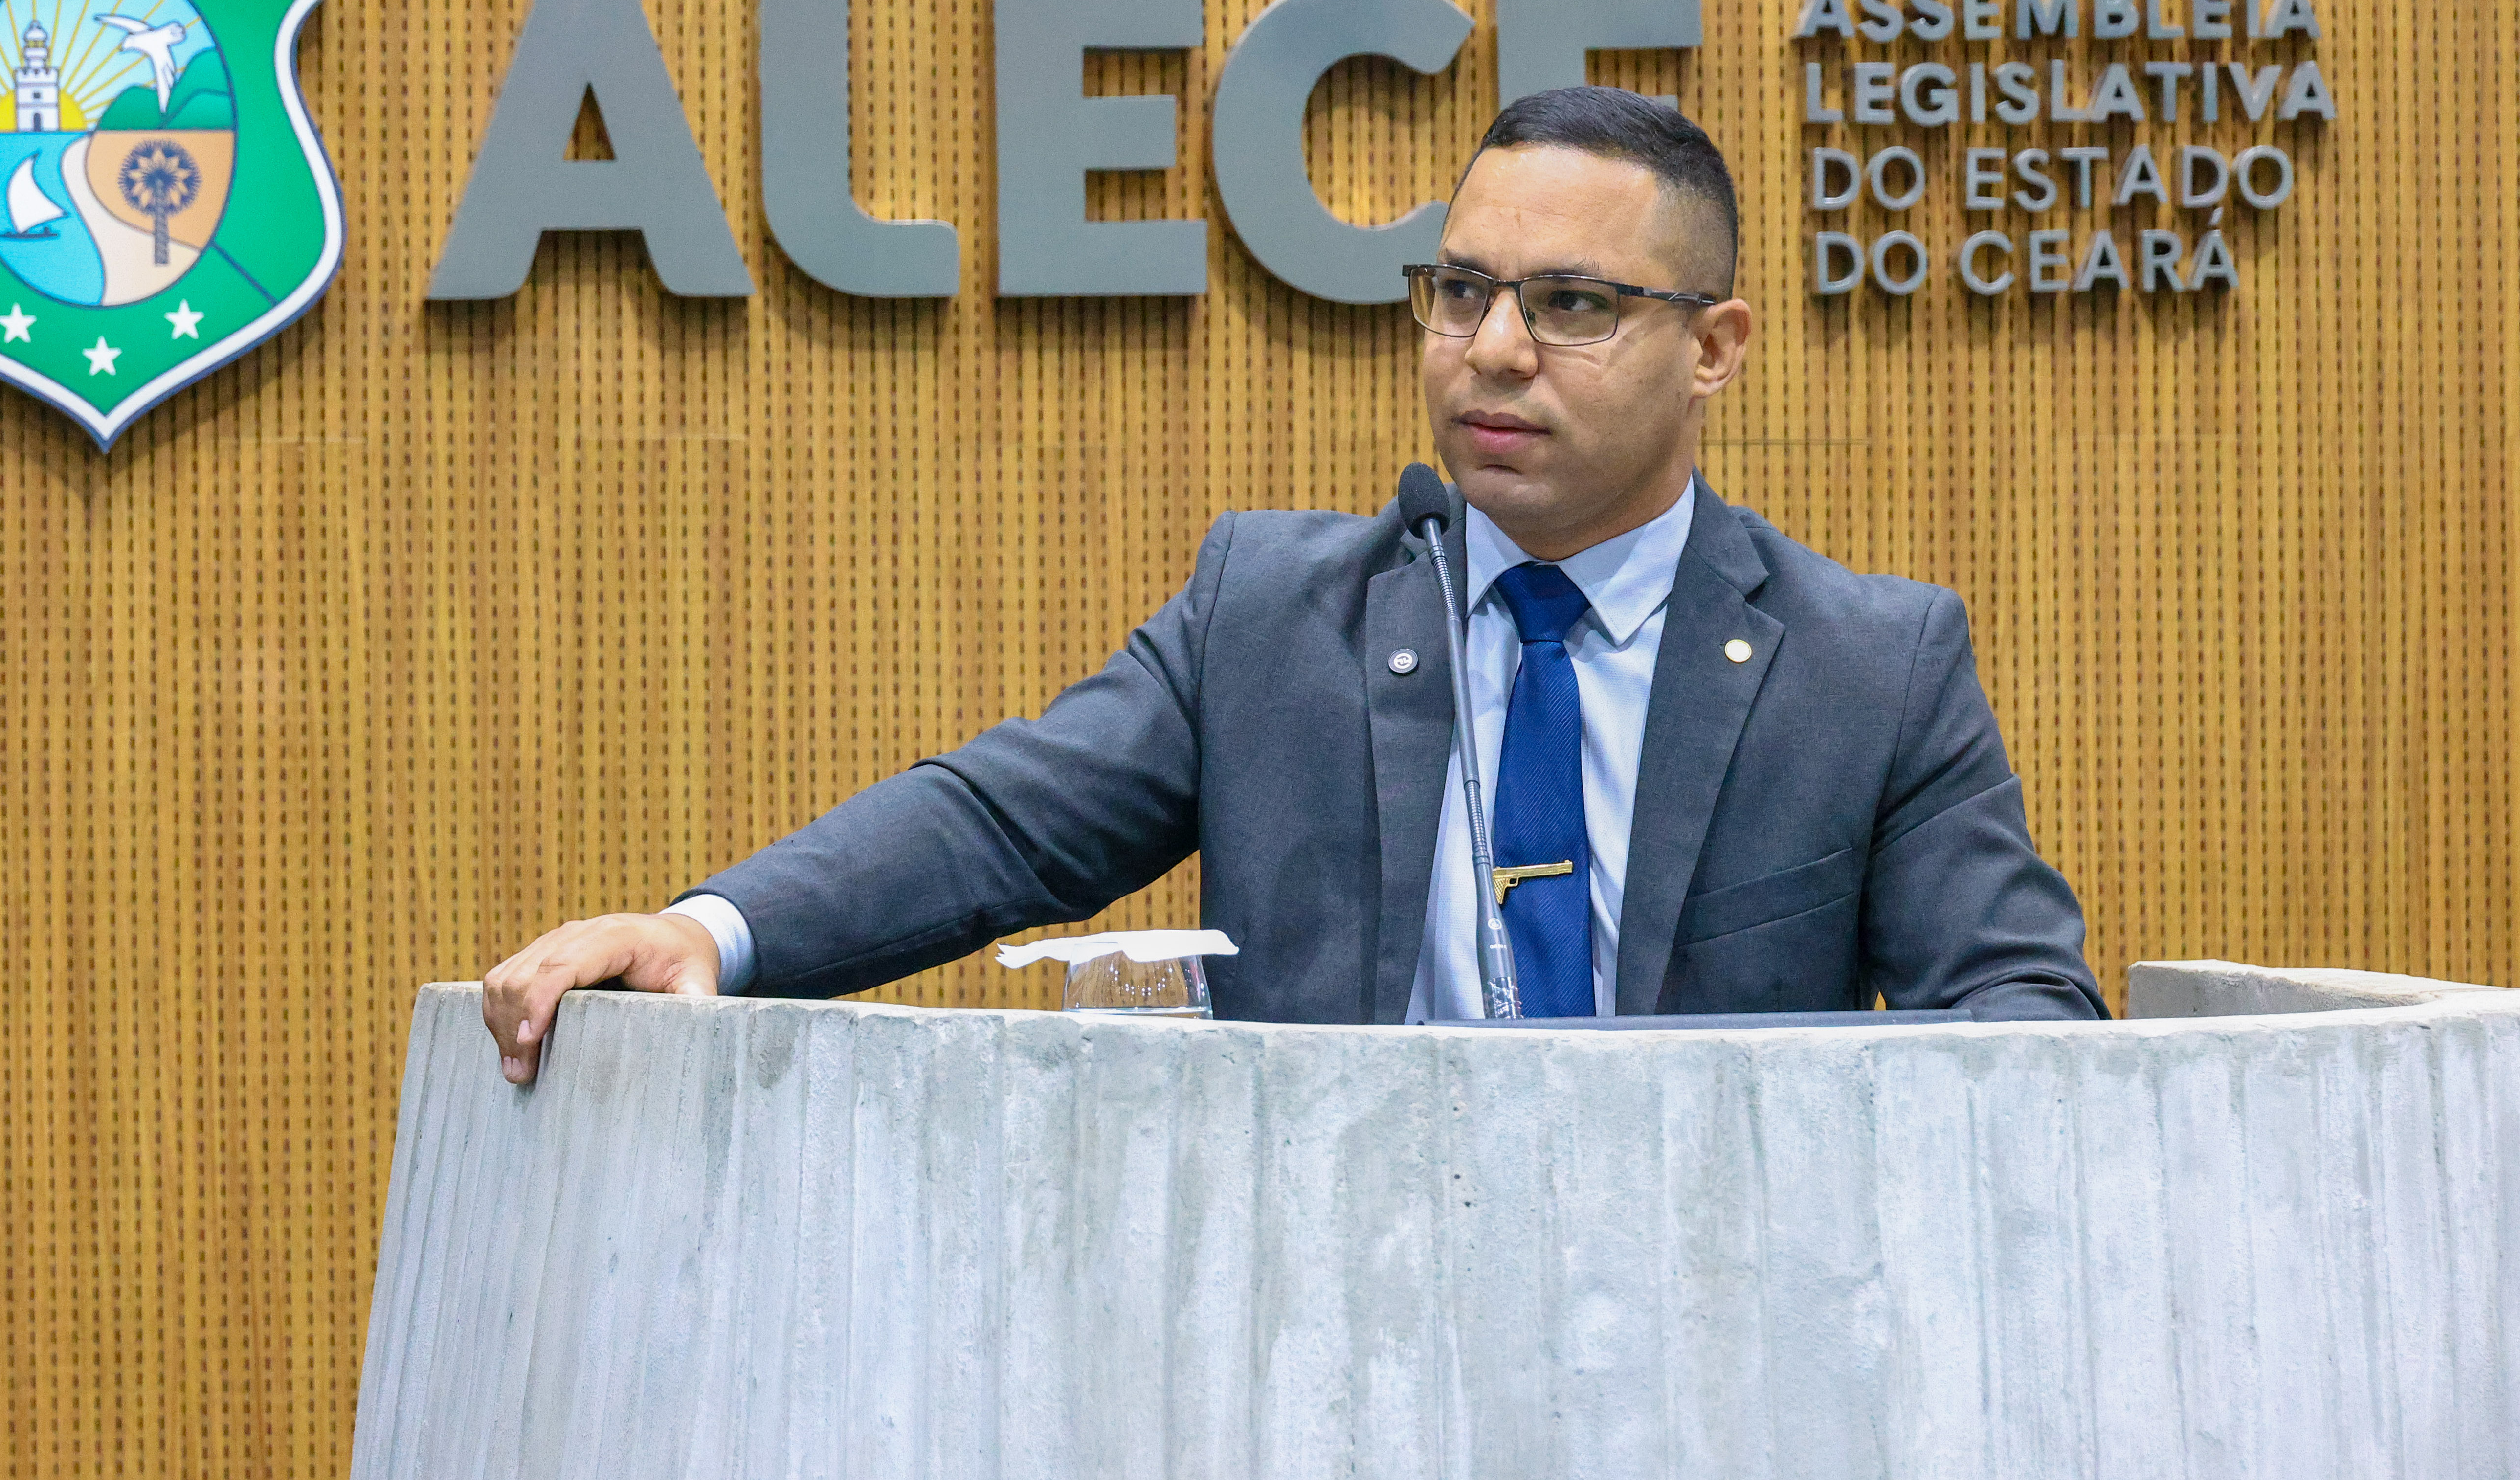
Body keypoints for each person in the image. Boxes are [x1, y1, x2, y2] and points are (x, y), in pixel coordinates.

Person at [483, 87, 2104, 1080]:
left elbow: (2025, 1012)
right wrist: (714, 929)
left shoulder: (1870, 665)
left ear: (1716, 349)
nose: (1495, 350)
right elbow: (1002, 821)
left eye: (1574, 305)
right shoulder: (1275, 614)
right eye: (1461, 291)